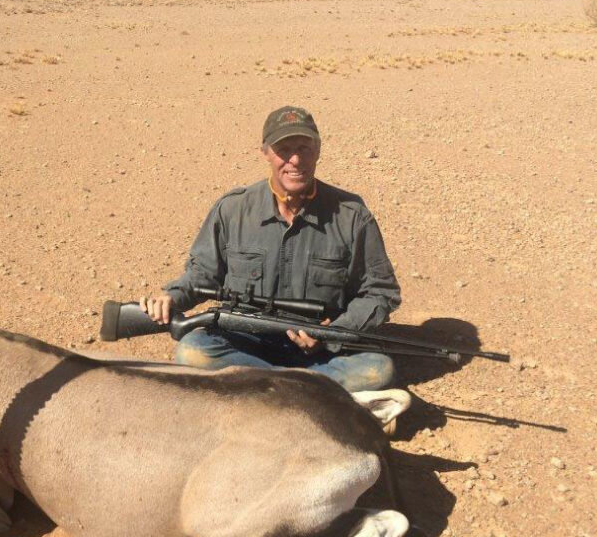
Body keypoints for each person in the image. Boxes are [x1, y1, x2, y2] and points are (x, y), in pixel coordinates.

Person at [140, 106, 401, 392]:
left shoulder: (351, 216)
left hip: (321, 351)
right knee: (193, 351)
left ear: (318, 150)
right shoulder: (233, 210)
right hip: (246, 343)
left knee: (378, 369)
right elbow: (203, 274)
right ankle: (311, 393)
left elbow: (380, 292)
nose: (296, 159)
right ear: (265, 151)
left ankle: (264, 392)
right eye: (284, 149)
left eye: (304, 147)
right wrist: (171, 297)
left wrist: (332, 332)